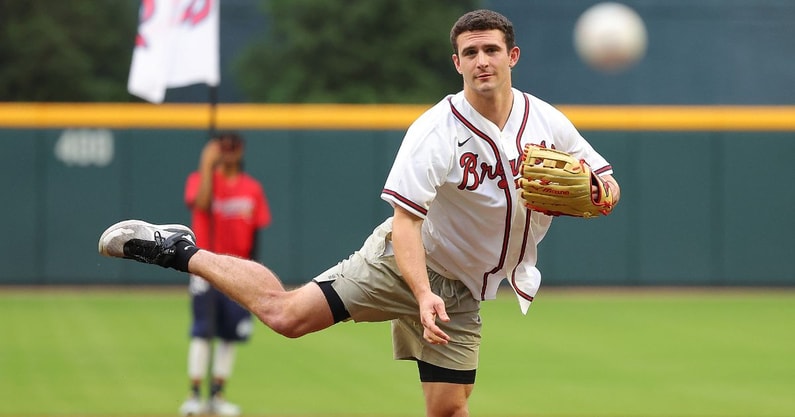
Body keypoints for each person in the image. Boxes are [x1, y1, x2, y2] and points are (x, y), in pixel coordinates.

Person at [99, 9, 620, 417]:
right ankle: (180, 249)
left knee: (448, 409)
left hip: (464, 289)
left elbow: (606, 183)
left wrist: (600, 194)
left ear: (513, 56)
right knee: (288, 316)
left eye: (491, 50)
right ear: (456, 62)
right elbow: (406, 221)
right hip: (402, 262)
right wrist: (419, 294)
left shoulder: (545, 121)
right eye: (470, 52)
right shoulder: (435, 131)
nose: (482, 60)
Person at [179, 132, 272, 417]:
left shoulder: (251, 188)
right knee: (203, 331)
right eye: (223, 147)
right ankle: (195, 395)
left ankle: (218, 395)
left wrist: (256, 272)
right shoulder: (201, 180)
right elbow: (202, 203)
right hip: (206, 266)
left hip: (239, 267)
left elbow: (256, 232)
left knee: (231, 333)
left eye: (233, 147)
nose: (228, 153)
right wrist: (207, 165)